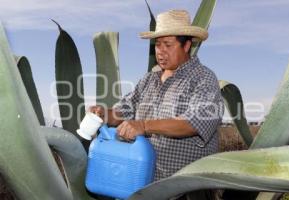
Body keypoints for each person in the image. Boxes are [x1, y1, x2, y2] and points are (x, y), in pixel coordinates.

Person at [89, 9, 224, 199]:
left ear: (186, 45)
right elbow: (124, 111)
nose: (160, 51)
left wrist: (144, 126)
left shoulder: (203, 79)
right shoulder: (148, 80)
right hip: (143, 184)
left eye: (168, 44)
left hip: (187, 190)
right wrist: (104, 114)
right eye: (157, 45)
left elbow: (194, 123)